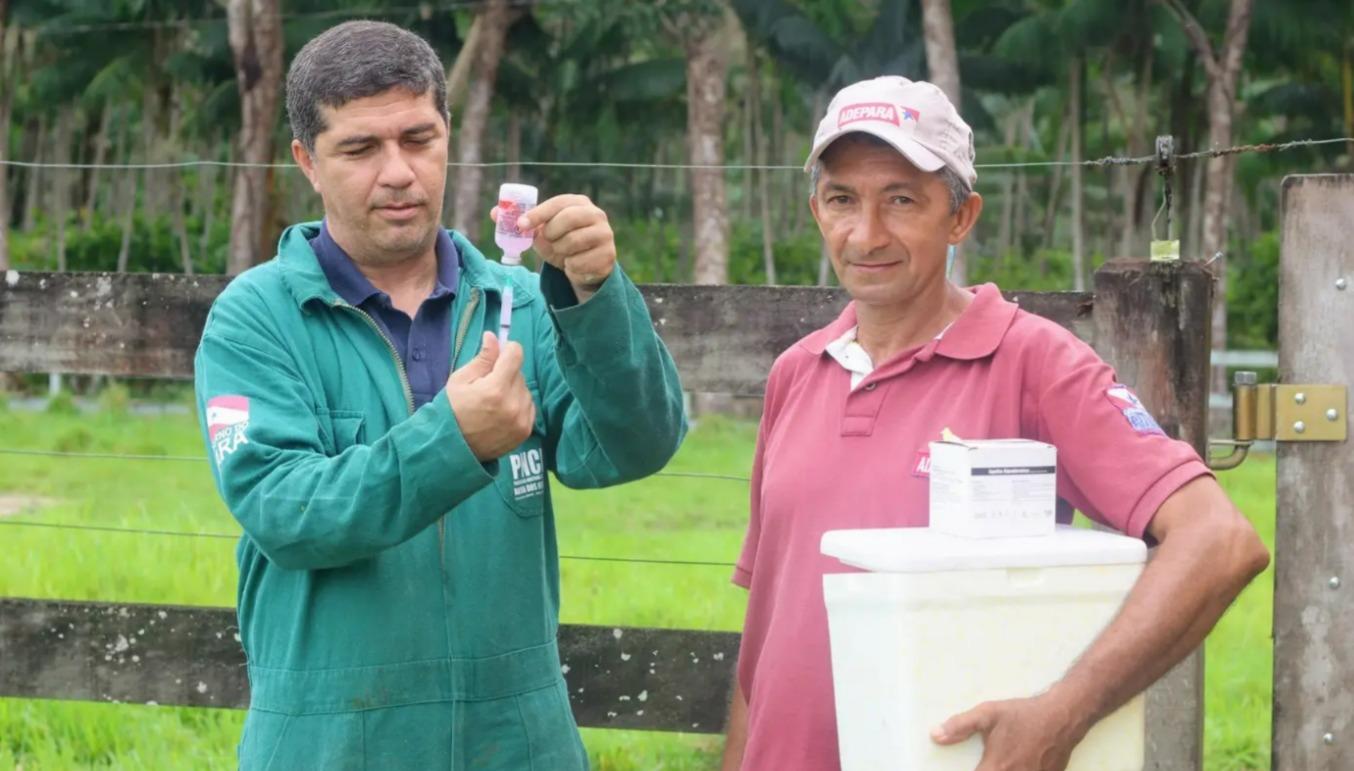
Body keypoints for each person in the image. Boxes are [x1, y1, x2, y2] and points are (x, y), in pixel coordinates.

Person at [719, 75, 1269, 771]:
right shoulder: (797, 372)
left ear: (961, 217)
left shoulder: (1033, 363)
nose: (866, 233)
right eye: (842, 199)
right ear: (816, 211)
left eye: (901, 200)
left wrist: (1064, 712)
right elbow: (767, 634)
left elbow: (1218, 541)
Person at [194, 21, 686, 770]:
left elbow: (634, 447)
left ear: (447, 137)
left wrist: (596, 296)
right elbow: (284, 512)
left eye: (418, 139)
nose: (398, 172)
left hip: (519, 746)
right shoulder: (256, 319)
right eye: (360, 149)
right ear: (307, 162)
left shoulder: (522, 303)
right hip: (331, 746)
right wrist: (452, 440)